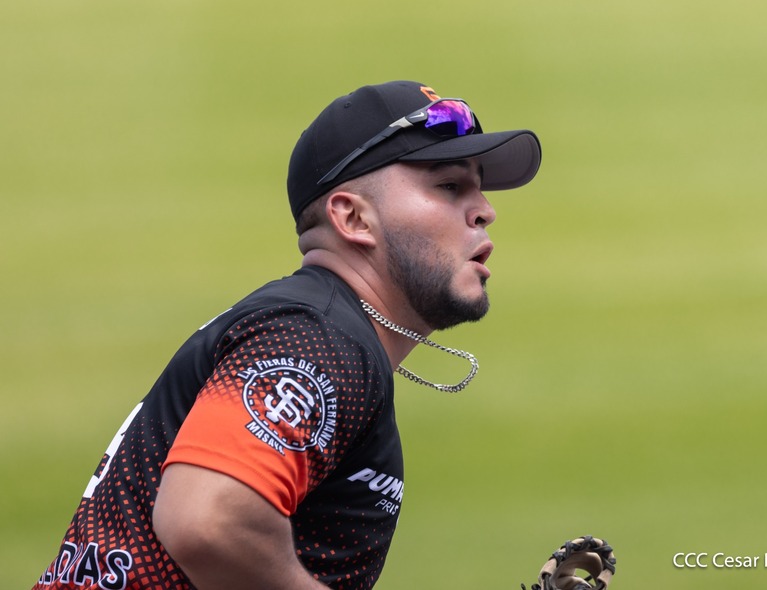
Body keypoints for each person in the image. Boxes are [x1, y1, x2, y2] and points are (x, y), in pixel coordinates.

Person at [33, 80, 541, 590]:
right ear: (353, 218)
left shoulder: (321, 327)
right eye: (449, 186)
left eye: (479, 188)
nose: (485, 209)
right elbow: (206, 522)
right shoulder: (317, 337)